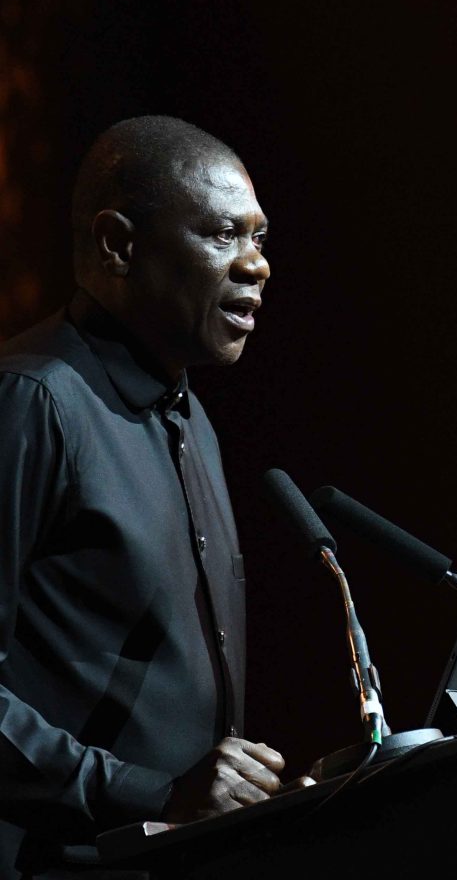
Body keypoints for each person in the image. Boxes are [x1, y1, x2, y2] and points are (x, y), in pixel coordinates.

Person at [0, 116, 286, 878]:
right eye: (224, 234)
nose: (255, 266)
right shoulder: (32, 402)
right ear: (117, 244)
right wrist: (146, 793)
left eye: (261, 239)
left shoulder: (190, 419)